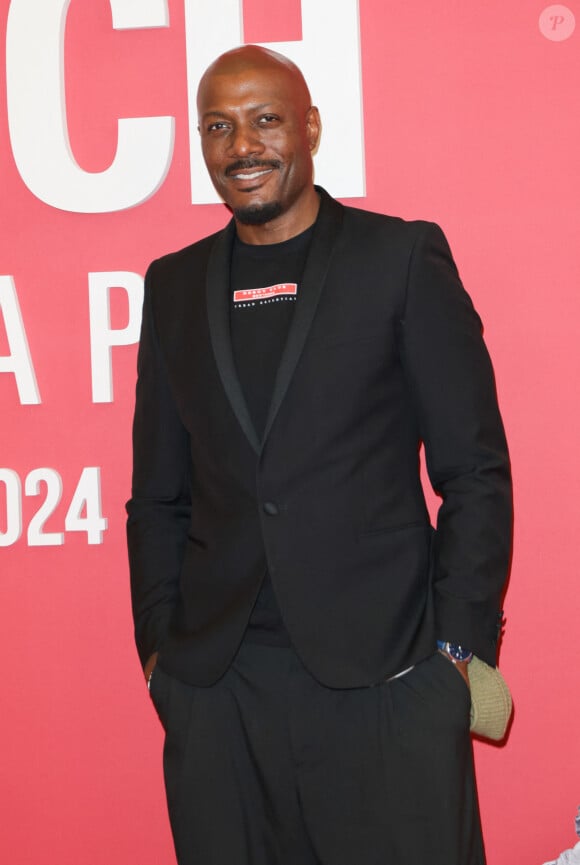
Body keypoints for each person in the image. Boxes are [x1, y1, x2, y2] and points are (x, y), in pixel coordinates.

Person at [126, 44, 512, 865]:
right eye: (219, 127)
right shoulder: (172, 285)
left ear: (310, 127)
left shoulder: (399, 259)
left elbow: (474, 470)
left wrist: (454, 655)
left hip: (387, 680)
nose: (243, 147)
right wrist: (161, 652)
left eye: (265, 120)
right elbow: (157, 494)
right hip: (218, 689)